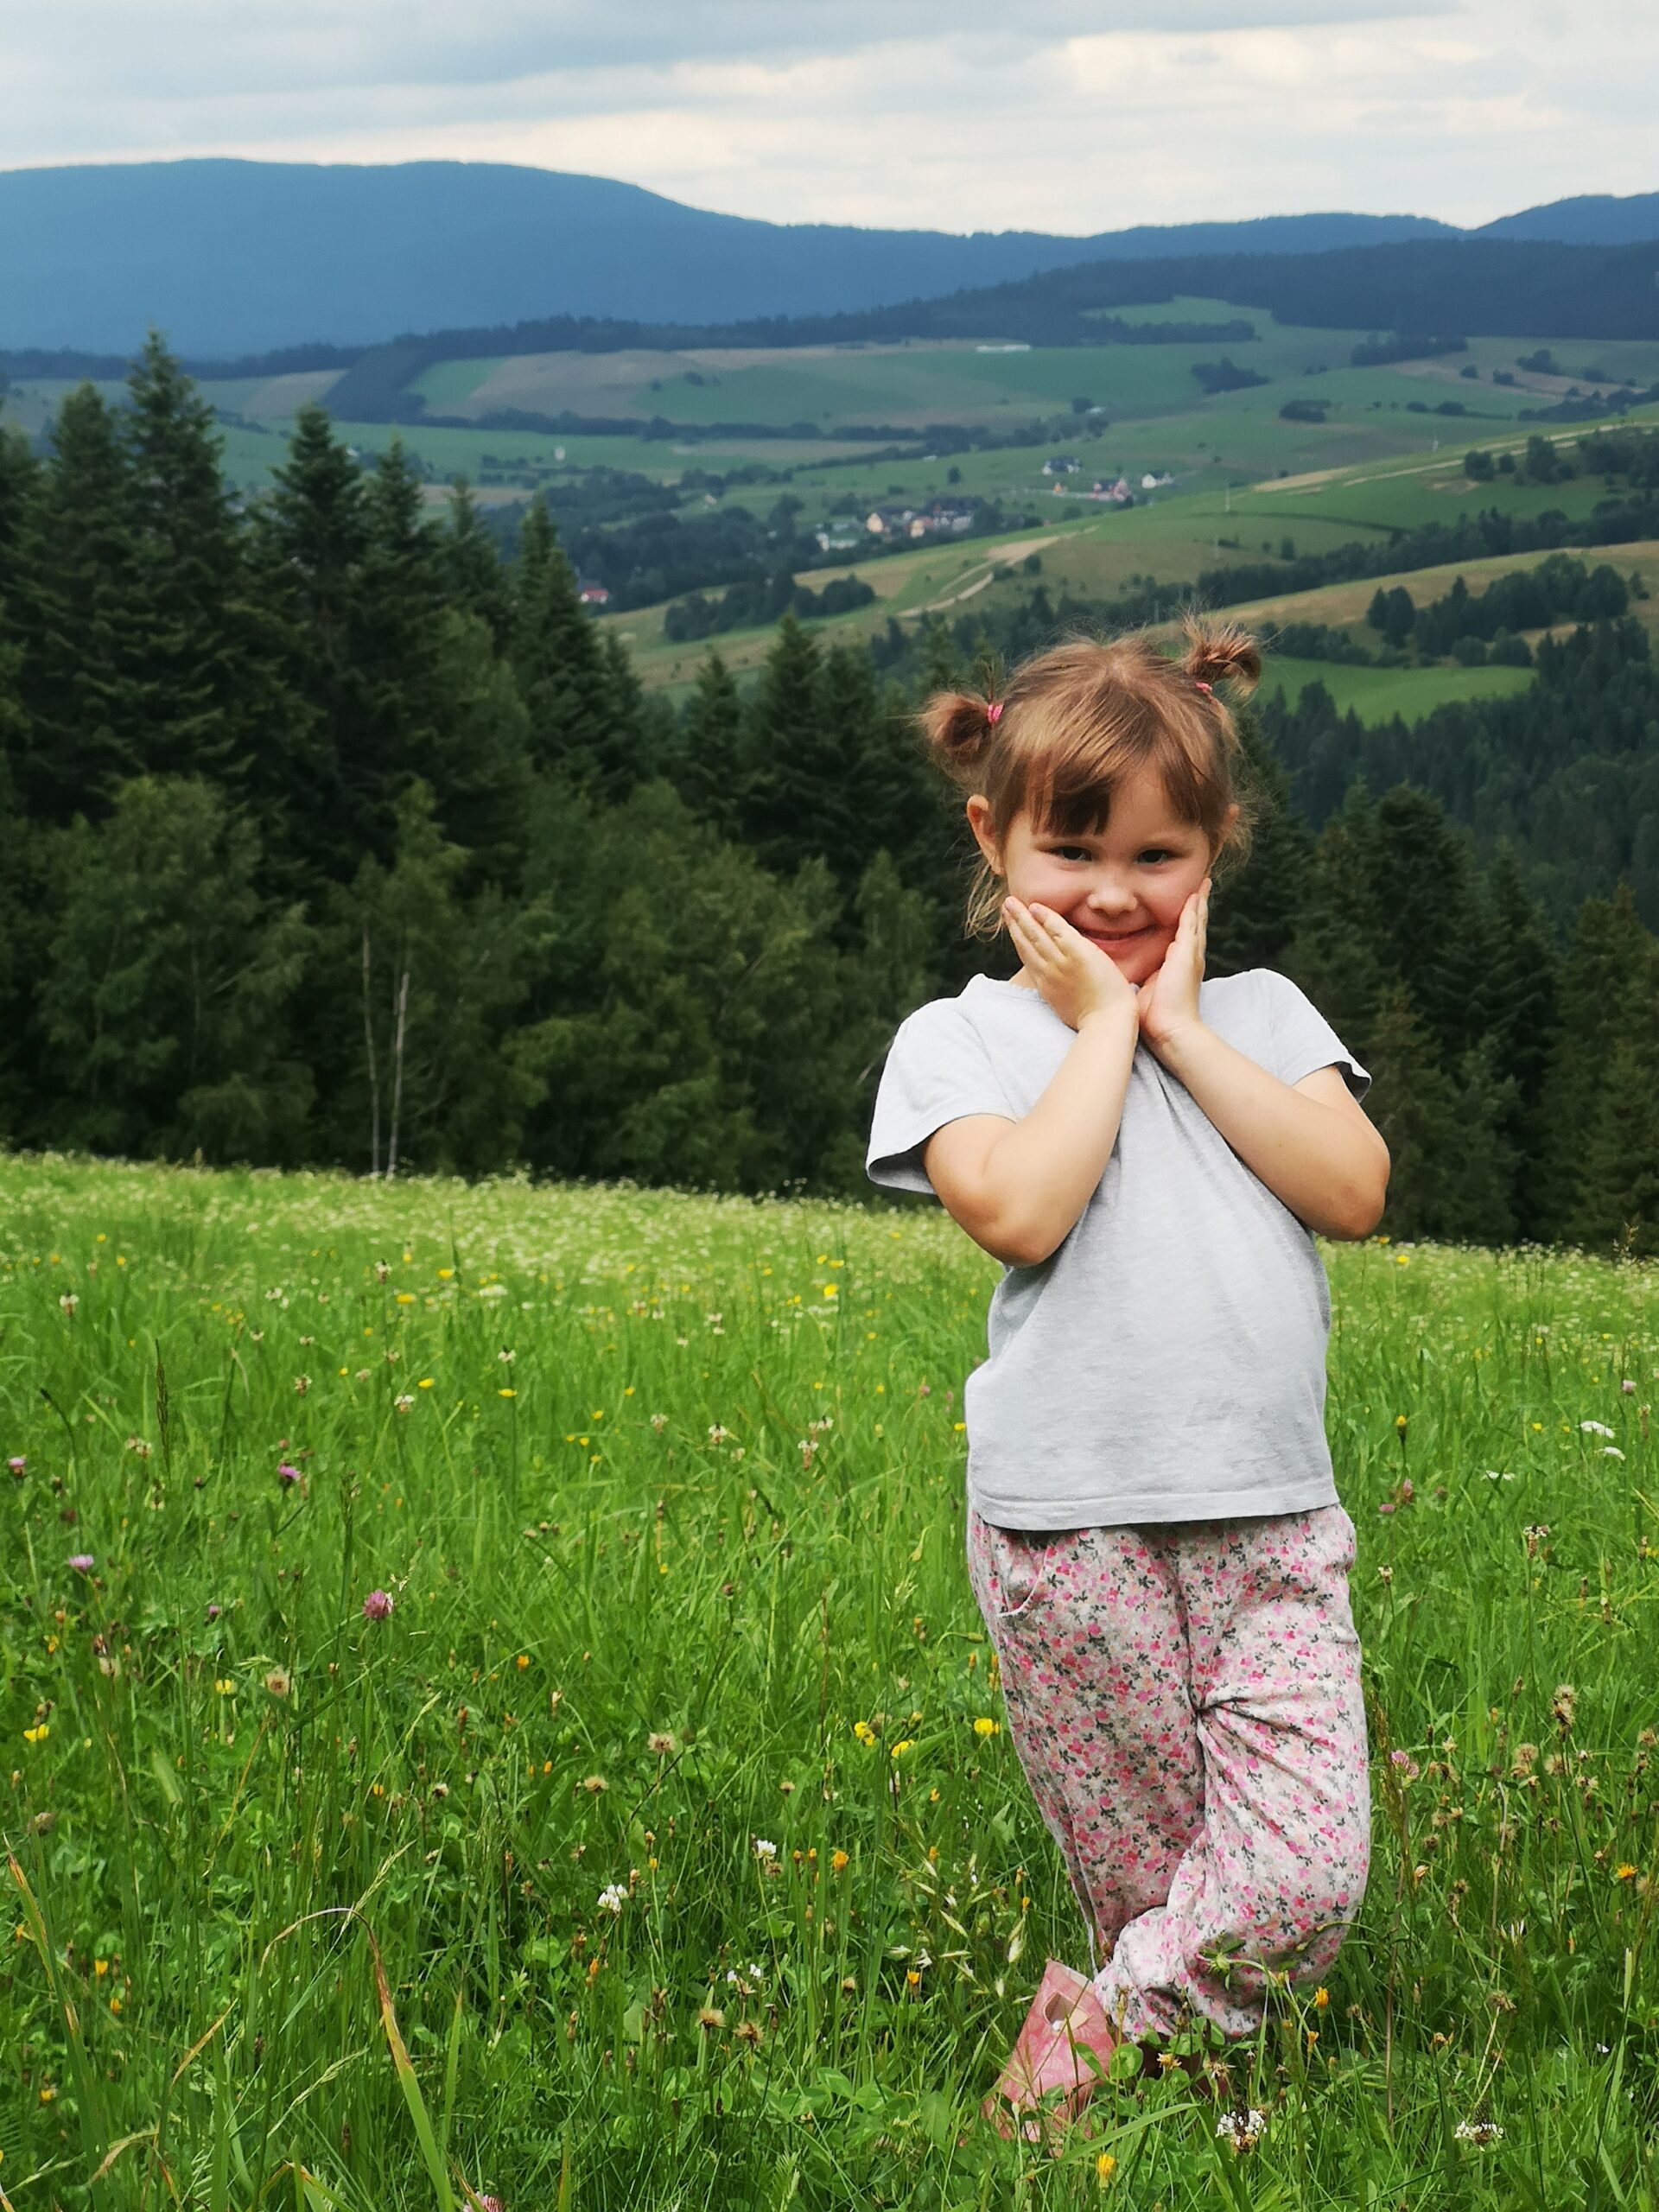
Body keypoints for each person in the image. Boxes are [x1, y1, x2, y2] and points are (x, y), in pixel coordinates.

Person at [864, 620, 1388, 2145]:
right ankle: (1181, 2122)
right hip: (1065, 1531)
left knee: (1296, 1873)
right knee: (1160, 1883)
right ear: (993, 835)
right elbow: (1020, 1208)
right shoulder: (960, 1039)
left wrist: (1175, 1027)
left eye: (1158, 856)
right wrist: (1103, 1029)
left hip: (1276, 1526)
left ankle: (1074, 2060)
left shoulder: (1266, 1017)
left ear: (1215, 848)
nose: (1110, 892)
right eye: (1070, 850)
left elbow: (1350, 1187)